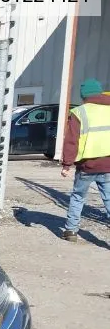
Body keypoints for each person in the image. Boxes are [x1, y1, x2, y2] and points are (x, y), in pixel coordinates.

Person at [60, 78, 110, 241]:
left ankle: (71, 231)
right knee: (109, 199)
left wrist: (67, 164)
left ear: (84, 96)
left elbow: (72, 141)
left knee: (78, 197)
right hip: (108, 164)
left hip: (86, 166)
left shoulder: (80, 112)